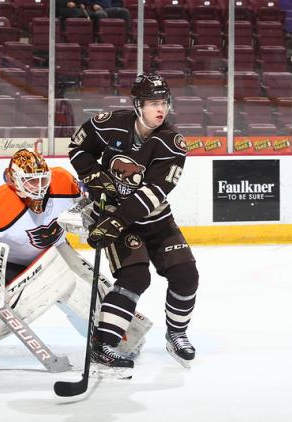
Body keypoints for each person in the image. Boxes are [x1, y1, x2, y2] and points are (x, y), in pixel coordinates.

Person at [0, 149, 149, 369]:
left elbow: (86, 202)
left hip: (56, 250)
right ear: (14, 180)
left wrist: (91, 217)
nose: (39, 187)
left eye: (42, 179)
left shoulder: (62, 180)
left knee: (87, 286)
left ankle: (116, 341)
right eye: (31, 181)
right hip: (13, 264)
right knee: (15, 306)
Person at [68, 73, 199, 374]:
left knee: (186, 274)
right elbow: (78, 148)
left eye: (164, 103)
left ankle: (176, 334)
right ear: (138, 104)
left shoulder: (172, 142)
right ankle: (104, 344)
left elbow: (154, 192)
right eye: (154, 103)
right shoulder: (108, 123)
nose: (160, 110)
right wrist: (95, 179)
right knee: (136, 277)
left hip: (153, 219)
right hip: (115, 216)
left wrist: (114, 223)